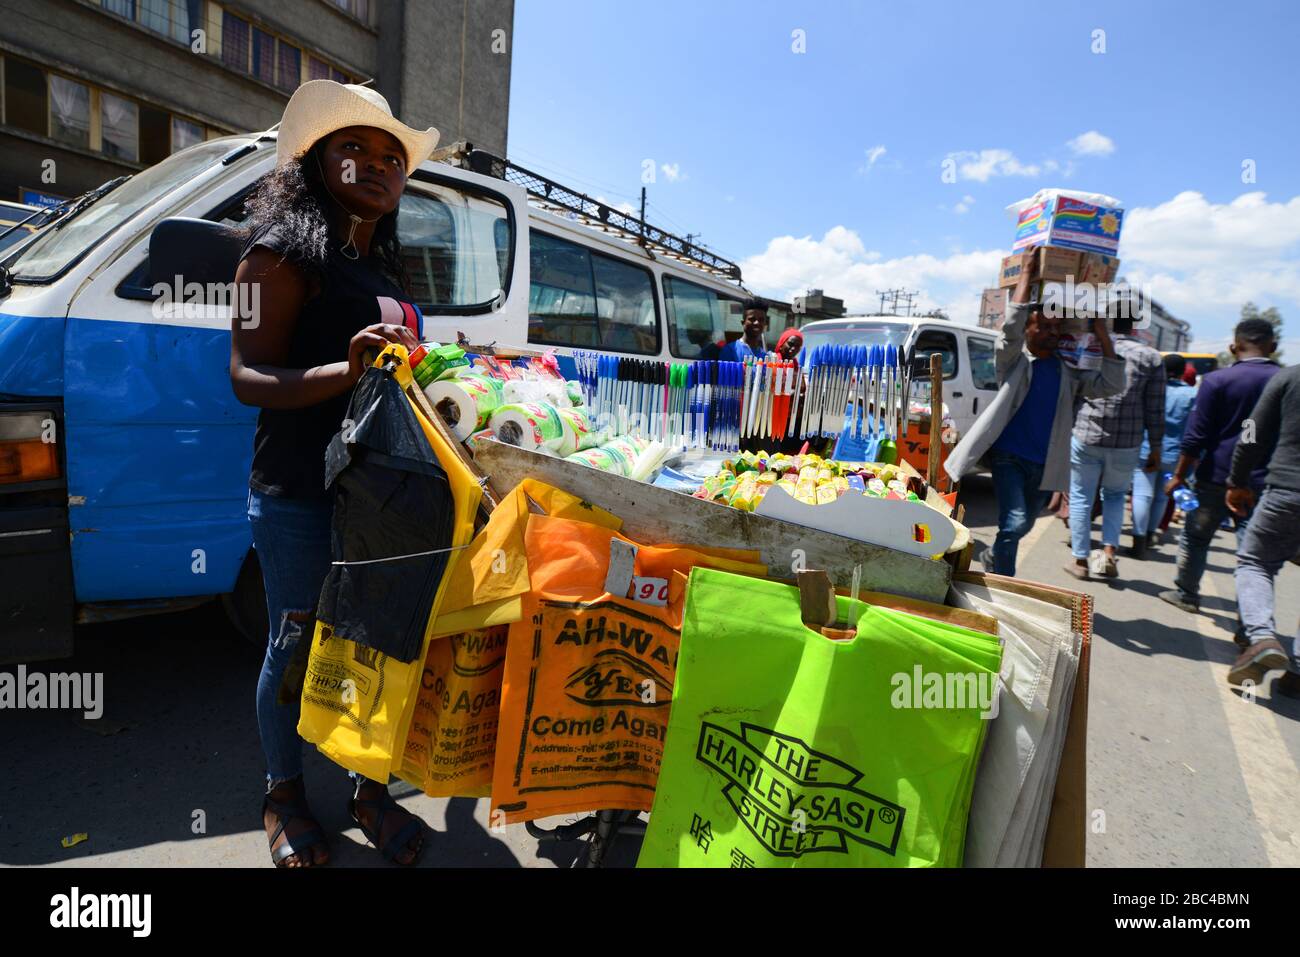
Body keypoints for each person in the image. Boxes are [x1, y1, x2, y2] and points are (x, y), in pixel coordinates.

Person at [230, 80, 439, 867]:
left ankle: (367, 789)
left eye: (392, 155)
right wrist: (339, 371)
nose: (376, 165)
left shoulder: (380, 264)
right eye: (353, 146)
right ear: (315, 160)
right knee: (295, 640)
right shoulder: (275, 254)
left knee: (370, 645)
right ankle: (283, 794)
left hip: (377, 495)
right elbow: (247, 375)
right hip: (295, 488)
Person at [945, 249, 1124, 576]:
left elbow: (1111, 384)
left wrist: (1102, 335)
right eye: (1043, 327)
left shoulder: (1069, 373)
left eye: (1057, 329)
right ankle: (1005, 587)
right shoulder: (1015, 363)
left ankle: (994, 558)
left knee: (1023, 525)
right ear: (1028, 330)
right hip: (1008, 458)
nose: (1051, 334)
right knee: (1012, 522)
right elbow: (1008, 331)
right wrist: (1027, 273)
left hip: (1045, 466)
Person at [1159, 319, 1280, 613]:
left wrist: (1178, 476)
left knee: (1196, 537)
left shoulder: (1217, 381)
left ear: (1232, 347)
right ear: (1273, 347)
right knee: (1255, 557)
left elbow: (1195, 437)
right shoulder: (1284, 381)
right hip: (1264, 482)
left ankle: (1187, 594)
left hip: (1215, 475)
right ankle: (1250, 623)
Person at [1065, 307, 1164, 579]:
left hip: (1086, 435)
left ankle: (1080, 561)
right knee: (1116, 496)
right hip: (1128, 443)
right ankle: (1109, 552)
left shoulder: (1092, 348)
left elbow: (1075, 392)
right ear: (1136, 323)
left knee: (1082, 497)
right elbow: (1155, 407)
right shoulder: (1151, 357)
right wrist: (1156, 447)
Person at [1225, 363, 1300, 696]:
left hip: (1287, 489)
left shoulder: (1290, 377)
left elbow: (1252, 431)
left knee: (1255, 562)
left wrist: (1238, 480)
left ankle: (1262, 639)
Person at [1129, 352, 1197, 558]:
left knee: (1142, 494)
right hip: (1175, 454)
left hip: (1146, 449)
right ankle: (1151, 536)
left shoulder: (1153, 389)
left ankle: (1138, 541)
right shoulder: (1192, 395)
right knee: (1161, 498)